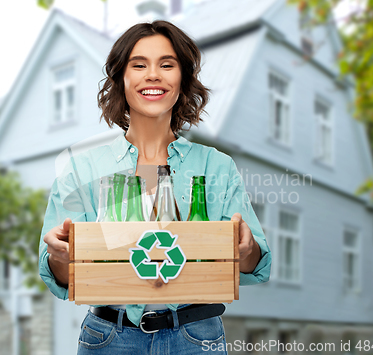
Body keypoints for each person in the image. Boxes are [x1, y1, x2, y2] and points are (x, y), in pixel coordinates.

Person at [39, 20, 271, 355]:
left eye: (167, 64)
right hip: (109, 338)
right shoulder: (82, 168)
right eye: (139, 65)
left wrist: (246, 250)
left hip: (195, 336)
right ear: (121, 78)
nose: (153, 75)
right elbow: (58, 273)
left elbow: (255, 262)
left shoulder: (215, 167)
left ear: (183, 79)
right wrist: (61, 256)